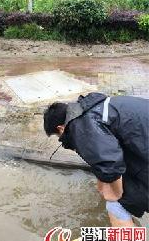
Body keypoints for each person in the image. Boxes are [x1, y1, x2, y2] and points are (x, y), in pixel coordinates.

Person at [43, 92, 148, 227]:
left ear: (60, 128)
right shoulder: (96, 107)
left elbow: (111, 166)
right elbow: (106, 157)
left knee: (115, 206)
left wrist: (115, 195)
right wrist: (102, 186)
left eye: (58, 136)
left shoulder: (81, 125)